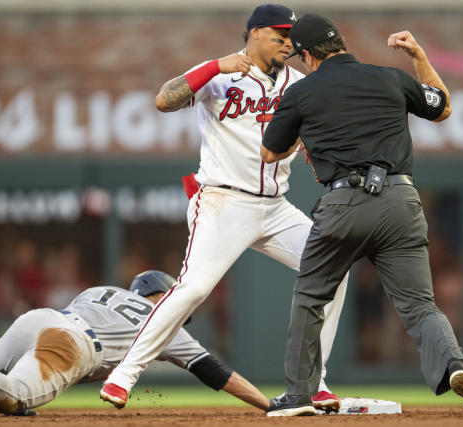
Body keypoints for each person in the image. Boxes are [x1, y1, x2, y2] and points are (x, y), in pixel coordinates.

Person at [100, 4, 349, 412]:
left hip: (275, 206)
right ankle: (123, 374)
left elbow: (310, 132)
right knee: (194, 287)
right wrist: (215, 66)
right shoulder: (220, 73)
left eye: (291, 36)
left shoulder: (297, 82)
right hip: (223, 200)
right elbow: (165, 100)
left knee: (334, 267)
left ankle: (314, 383)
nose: (288, 42)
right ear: (253, 32)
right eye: (279, 34)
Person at [260, 13, 463, 416]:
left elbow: (270, 152)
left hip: (343, 204)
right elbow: (441, 108)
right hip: (400, 202)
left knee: (310, 298)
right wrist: (419, 57)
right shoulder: (391, 77)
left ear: (308, 56)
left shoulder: (301, 92)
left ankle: (299, 396)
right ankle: (455, 366)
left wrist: (312, 128)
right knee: (421, 306)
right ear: (340, 44)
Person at [0, 271, 270, 418]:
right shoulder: (164, 319)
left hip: (40, 318)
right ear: (161, 294)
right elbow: (214, 371)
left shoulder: (100, 291)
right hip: (72, 343)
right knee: (18, 392)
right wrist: (267, 404)